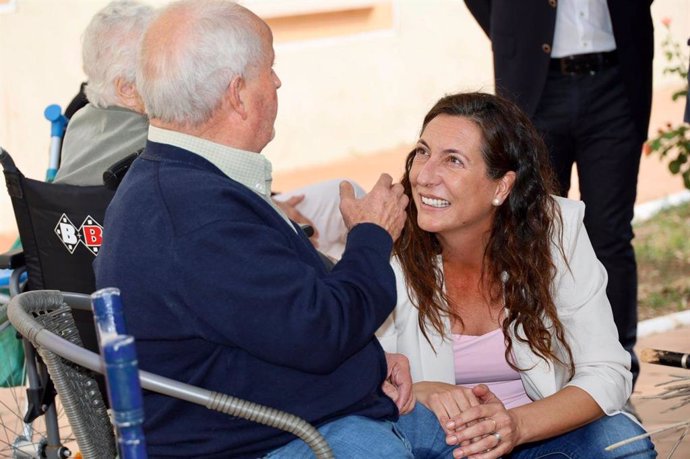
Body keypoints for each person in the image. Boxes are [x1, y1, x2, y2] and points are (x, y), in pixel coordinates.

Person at [95, 1, 457, 457]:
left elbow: (274, 320)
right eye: (270, 67)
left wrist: (370, 363)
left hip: (283, 412)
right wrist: (371, 233)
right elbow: (321, 331)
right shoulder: (197, 212)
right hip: (267, 441)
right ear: (238, 94)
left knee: (482, 429)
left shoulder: (181, 179)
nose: (279, 81)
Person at [376, 92, 656, 458]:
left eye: (453, 161)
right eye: (423, 152)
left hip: (535, 433)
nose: (425, 176)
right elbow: (360, 376)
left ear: (502, 186)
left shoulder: (554, 230)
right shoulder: (387, 243)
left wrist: (515, 425)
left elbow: (606, 370)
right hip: (441, 442)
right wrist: (425, 389)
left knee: (622, 442)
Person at [54, 0, 361, 260]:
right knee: (346, 206)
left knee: (337, 205)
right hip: (216, 252)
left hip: (115, 265)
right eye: (153, 64)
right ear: (127, 89)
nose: (169, 69)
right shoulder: (160, 138)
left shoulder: (81, 122)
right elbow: (223, 211)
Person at [463, 0, 654, 387]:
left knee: (610, 234)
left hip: (616, 81)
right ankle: (546, 363)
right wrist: (513, 30)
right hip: (535, 87)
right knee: (534, 231)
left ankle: (615, 366)